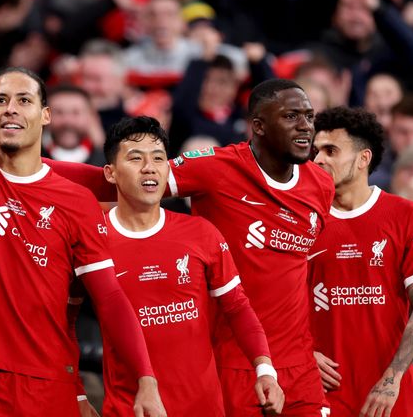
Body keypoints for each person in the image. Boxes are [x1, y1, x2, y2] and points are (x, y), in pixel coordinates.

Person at [0, 0, 166, 415]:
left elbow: (110, 297)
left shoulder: (75, 200)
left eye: (23, 100)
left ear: (45, 116)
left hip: (50, 388)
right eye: (0, 100)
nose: (10, 108)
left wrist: (146, 378)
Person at [47, 78, 335, 416]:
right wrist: (26, 168)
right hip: (233, 363)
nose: (305, 126)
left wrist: (313, 346)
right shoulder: (217, 168)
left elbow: (307, 273)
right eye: (291, 116)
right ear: (258, 125)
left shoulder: (321, 184)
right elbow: (125, 182)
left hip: (297, 365)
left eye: (309, 116)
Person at [98, 116, 284, 415]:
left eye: (158, 158)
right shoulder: (93, 239)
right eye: (135, 158)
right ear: (110, 173)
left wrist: (265, 369)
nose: (149, 167)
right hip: (130, 407)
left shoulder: (201, 232)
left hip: (202, 406)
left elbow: (237, 307)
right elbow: (64, 318)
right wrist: (78, 393)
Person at [310, 107, 413, 415]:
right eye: (315, 151)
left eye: (330, 151)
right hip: (325, 393)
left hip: (391, 395)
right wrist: (301, 353)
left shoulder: (408, 216)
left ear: (363, 159)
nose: (318, 160)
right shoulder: (302, 221)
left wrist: (392, 379)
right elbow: (276, 305)